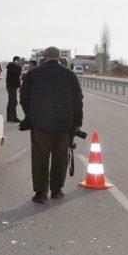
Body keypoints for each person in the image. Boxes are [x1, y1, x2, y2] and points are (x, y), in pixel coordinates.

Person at [20, 46, 83, 204]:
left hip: (40, 124)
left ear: (44, 56)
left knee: (40, 158)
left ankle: (41, 194)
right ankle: (57, 191)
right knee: (60, 158)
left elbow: (23, 98)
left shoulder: (33, 73)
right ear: (59, 57)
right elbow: (78, 101)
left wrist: (30, 115)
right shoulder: (69, 74)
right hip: (63, 125)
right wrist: (77, 123)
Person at [6, 56, 22, 122]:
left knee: (11, 101)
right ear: (15, 60)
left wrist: (19, 85)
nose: (20, 61)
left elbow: (17, 77)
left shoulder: (13, 66)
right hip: (11, 86)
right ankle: (14, 117)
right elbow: (17, 74)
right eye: (19, 60)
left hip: (13, 86)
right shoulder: (12, 67)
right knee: (14, 102)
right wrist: (19, 67)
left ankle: (9, 117)